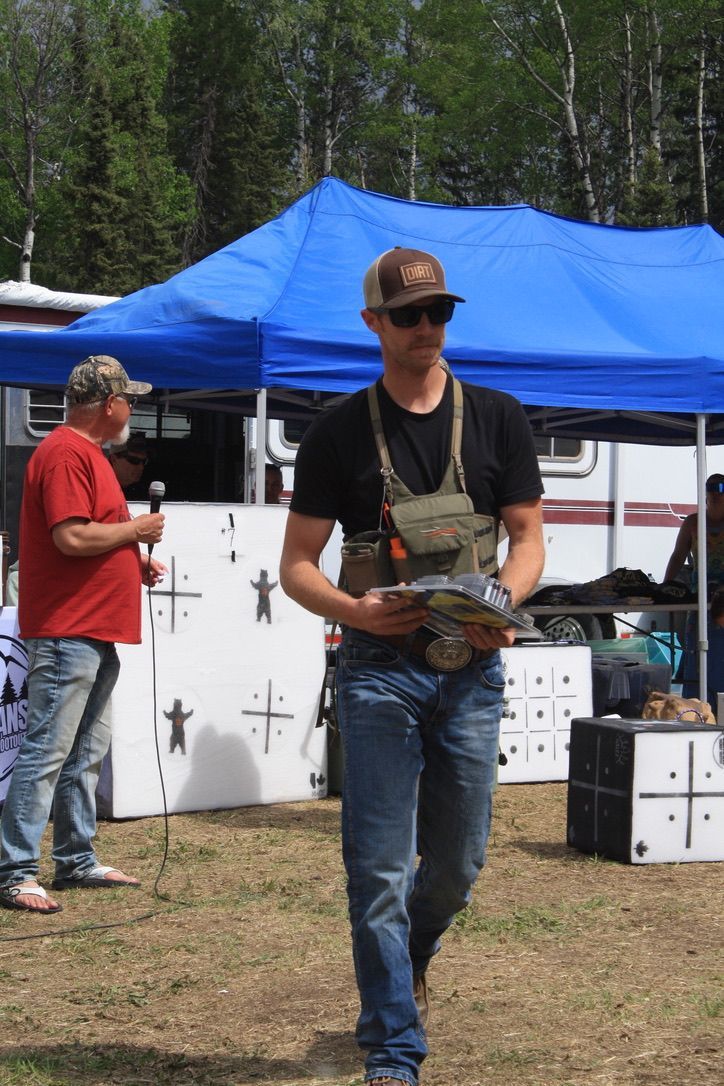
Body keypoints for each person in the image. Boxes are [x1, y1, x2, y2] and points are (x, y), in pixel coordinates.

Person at [280, 247, 545, 1086]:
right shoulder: (337, 432)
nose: (426, 327)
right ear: (374, 325)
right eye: (408, 315)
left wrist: (501, 600)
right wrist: (354, 610)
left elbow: (529, 539)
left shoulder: (499, 417)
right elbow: (297, 566)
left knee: (459, 864)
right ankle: (394, 1048)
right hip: (376, 671)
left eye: (438, 313)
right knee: (380, 868)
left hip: (471, 667)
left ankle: (412, 955)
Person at [0, 355, 166, 915]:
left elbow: (85, 538)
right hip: (70, 628)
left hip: (90, 628)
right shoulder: (67, 453)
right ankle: (15, 871)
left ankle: (75, 858)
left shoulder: (84, 454)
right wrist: (136, 531)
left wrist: (129, 557)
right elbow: (70, 537)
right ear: (108, 403)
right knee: (49, 748)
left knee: (85, 749)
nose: (132, 409)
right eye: (129, 400)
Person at [663, 472, 724, 699]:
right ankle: (695, 709)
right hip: (698, 602)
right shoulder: (692, 523)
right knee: (697, 657)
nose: (716, 494)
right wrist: (665, 587)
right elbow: (678, 557)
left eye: (721, 489)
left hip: (723, 605)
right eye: (711, 488)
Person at [107, 431, 149, 495]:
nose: (141, 467)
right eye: (134, 460)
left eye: (144, 461)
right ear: (114, 459)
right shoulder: (99, 486)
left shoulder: (145, 492)